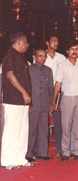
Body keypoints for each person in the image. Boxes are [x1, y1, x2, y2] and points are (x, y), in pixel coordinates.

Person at [52, 40, 78, 163]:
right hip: (67, 98)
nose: (74, 51)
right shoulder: (62, 65)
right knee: (66, 126)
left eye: (76, 49)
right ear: (67, 51)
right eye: (72, 49)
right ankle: (65, 152)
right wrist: (54, 100)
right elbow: (58, 84)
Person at [1, 32, 34, 170]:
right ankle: (7, 161)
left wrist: (27, 99)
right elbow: (9, 75)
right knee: (12, 130)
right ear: (18, 42)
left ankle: (20, 158)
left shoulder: (21, 57)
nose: (27, 45)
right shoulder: (9, 55)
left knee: (23, 130)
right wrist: (24, 92)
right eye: (25, 42)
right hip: (12, 100)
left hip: (23, 101)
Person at [26, 48, 54, 163]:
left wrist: (52, 103)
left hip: (45, 103)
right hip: (33, 103)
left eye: (44, 56)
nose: (43, 58)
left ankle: (42, 153)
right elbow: (27, 87)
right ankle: (28, 153)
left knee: (44, 128)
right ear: (34, 57)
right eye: (40, 56)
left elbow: (50, 88)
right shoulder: (28, 69)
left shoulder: (49, 70)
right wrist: (27, 104)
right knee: (31, 129)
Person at [45, 34, 66, 157]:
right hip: (44, 91)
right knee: (43, 121)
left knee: (58, 121)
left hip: (58, 92)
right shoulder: (42, 56)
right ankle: (41, 149)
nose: (55, 43)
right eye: (53, 41)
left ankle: (59, 149)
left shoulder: (62, 58)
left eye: (57, 41)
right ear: (47, 43)